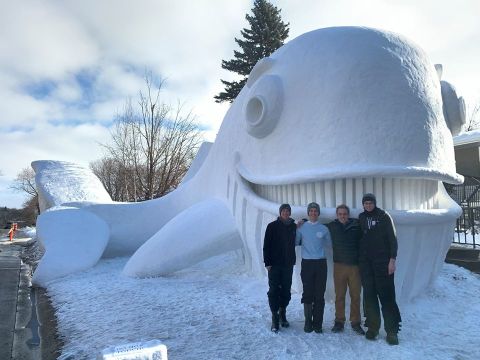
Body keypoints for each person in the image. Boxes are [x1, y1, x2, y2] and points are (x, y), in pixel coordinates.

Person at [358, 193, 402, 345]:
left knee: (387, 297)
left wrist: (392, 260)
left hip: (383, 263)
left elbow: (392, 239)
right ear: (363, 204)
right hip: (367, 265)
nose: (368, 205)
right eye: (366, 203)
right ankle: (373, 327)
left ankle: (392, 331)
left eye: (370, 203)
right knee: (369, 296)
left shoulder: (384, 216)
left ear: (374, 203)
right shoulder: (361, 218)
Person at [327, 204, 365, 335]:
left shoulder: (357, 225)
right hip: (339, 266)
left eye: (345, 214)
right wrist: (302, 221)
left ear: (348, 214)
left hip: (355, 266)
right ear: (337, 215)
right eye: (340, 214)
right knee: (340, 295)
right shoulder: (332, 226)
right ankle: (339, 321)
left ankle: (355, 322)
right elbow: (316, 224)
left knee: (355, 296)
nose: (342, 216)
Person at [295, 202, 332, 333]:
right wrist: (295, 226)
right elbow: (294, 241)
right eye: (311, 211)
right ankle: (307, 322)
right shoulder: (301, 227)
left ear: (318, 213)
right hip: (307, 263)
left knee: (319, 294)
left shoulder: (324, 229)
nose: (313, 213)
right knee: (307, 292)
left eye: (315, 211)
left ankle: (318, 324)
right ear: (308, 213)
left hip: (321, 263)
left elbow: (330, 244)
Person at [263, 203, 297, 333]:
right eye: (284, 211)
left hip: (288, 264)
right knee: (273, 291)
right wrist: (268, 263)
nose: (286, 213)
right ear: (280, 212)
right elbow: (266, 245)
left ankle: (283, 312)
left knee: (286, 291)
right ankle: (275, 317)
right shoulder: (272, 226)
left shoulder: (293, 226)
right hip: (274, 265)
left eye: (288, 211)